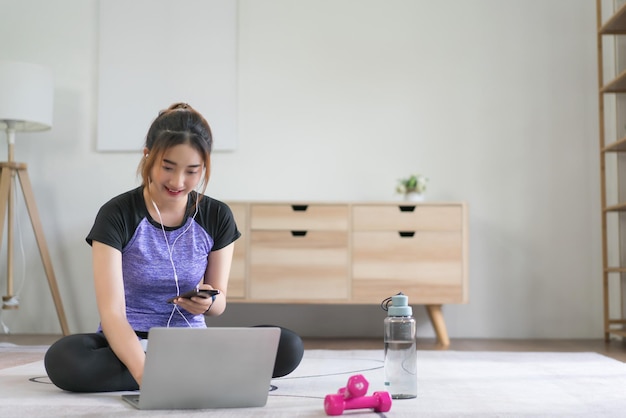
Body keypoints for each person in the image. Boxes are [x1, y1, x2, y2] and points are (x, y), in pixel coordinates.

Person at [44, 103, 303, 392]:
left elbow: (219, 303)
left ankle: (182, 370)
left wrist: (207, 303)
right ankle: (198, 374)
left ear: (204, 166)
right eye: (168, 167)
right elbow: (112, 313)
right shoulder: (116, 214)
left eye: (192, 171)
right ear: (148, 157)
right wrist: (146, 375)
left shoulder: (217, 216)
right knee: (64, 360)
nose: (178, 181)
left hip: (190, 344)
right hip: (126, 345)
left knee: (288, 346)